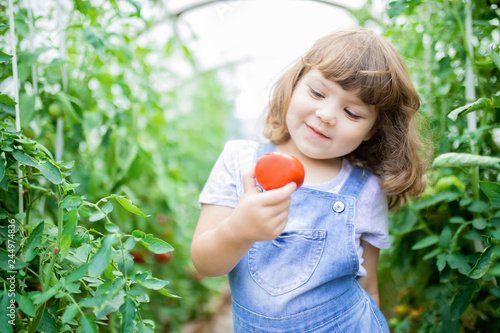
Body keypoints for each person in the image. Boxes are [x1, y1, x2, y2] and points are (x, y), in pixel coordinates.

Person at [191, 27, 427, 332]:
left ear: (371, 130)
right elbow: (205, 263)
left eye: (353, 113)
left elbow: (369, 287)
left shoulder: (365, 189)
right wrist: (239, 230)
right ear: (294, 84)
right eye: (317, 92)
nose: (327, 114)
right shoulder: (240, 162)